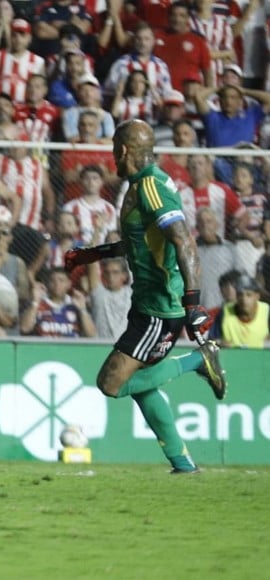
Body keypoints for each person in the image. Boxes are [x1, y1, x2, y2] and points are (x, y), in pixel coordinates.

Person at [65, 119, 227, 474]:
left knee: (110, 382)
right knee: (141, 386)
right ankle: (183, 465)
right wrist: (95, 253)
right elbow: (141, 241)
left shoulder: (151, 186)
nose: (112, 158)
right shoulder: (142, 186)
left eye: (113, 150)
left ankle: (199, 360)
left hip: (160, 308)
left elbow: (183, 240)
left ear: (123, 151)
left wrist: (192, 302)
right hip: (148, 305)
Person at [208, 273, 269, 348]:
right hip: (232, 358)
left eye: (249, 295)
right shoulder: (224, 312)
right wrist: (219, 343)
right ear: (236, 296)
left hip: (261, 358)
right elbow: (210, 341)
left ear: (257, 296)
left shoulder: (267, 312)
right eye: (240, 295)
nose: (244, 299)